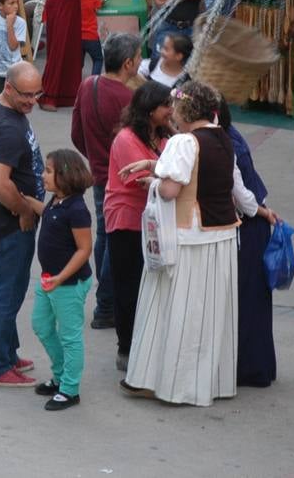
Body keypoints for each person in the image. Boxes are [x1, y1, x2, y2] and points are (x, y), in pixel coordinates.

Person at [120, 80, 271, 406]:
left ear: (184, 110)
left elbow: (171, 190)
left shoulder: (183, 143)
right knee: (209, 314)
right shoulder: (225, 139)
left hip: (188, 238)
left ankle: (171, 383)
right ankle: (207, 383)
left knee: (176, 310)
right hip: (223, 238)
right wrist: (261, 211)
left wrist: (153, 183)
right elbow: (238, 190)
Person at [0, 61, 45, 388]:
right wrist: (24, 211)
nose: (32, 102)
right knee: (8, 291)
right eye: (26, 96)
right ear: (8, 88)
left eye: (36, 94)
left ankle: (6, 351)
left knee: (10, 288)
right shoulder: (7, 129)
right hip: (8, 225)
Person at [70, 32, 143, 337]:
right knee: (115, 241)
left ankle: (105, 302)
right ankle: (106, 305)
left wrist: (96, 159)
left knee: (105, 234)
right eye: (139, 58)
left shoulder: (89, 85)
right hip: (122, 179)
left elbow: (76, 133)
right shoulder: (129, 99)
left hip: (100, 173)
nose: (141, 63)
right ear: (128, 63)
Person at [103, 79, 174, 370]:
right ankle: (127, 347)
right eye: (165, 106)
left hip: (153, 220)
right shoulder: (127, 139)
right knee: (128, 285)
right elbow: (146, 182)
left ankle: (147, 343)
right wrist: (171, 176)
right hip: (126, 220)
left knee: (149, 284)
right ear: (149, 111)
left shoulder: (164, 134)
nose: (171, 110)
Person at [219, 96, 277, 388]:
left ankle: (248, 368)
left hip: (250, 225)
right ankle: (256, 366)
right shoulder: (231, 135)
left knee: (245, 298)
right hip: (253, 222)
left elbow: (242, 196)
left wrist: (264, 213)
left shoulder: (226, 143)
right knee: (251, 298)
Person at [31, 149, 94, 411]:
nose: (43, 175)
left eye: (48, 171)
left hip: (67, 283)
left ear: (65, 176)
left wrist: (60, 278)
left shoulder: (77, 209)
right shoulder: (56, 201)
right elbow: (45, 214)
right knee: (41, 325)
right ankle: (59, 375)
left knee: (70, 337)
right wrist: (22, 199)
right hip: (50, 279)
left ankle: (69, 389)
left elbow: (84, 249)